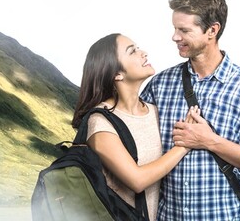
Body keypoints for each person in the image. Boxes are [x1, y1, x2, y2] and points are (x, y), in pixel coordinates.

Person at [140, 0, 240, 220]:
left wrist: (210, 141)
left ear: (212, 30)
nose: (175, 37)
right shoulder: (160, 84)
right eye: (174, 28)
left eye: (184, 30)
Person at [72, 33, 196, 221]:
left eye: (138, 48)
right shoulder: (100, 122)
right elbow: (137, 180)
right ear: (117, 74)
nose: (143, 53)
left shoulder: (155, 112)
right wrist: (184, 146)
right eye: (132, 51)